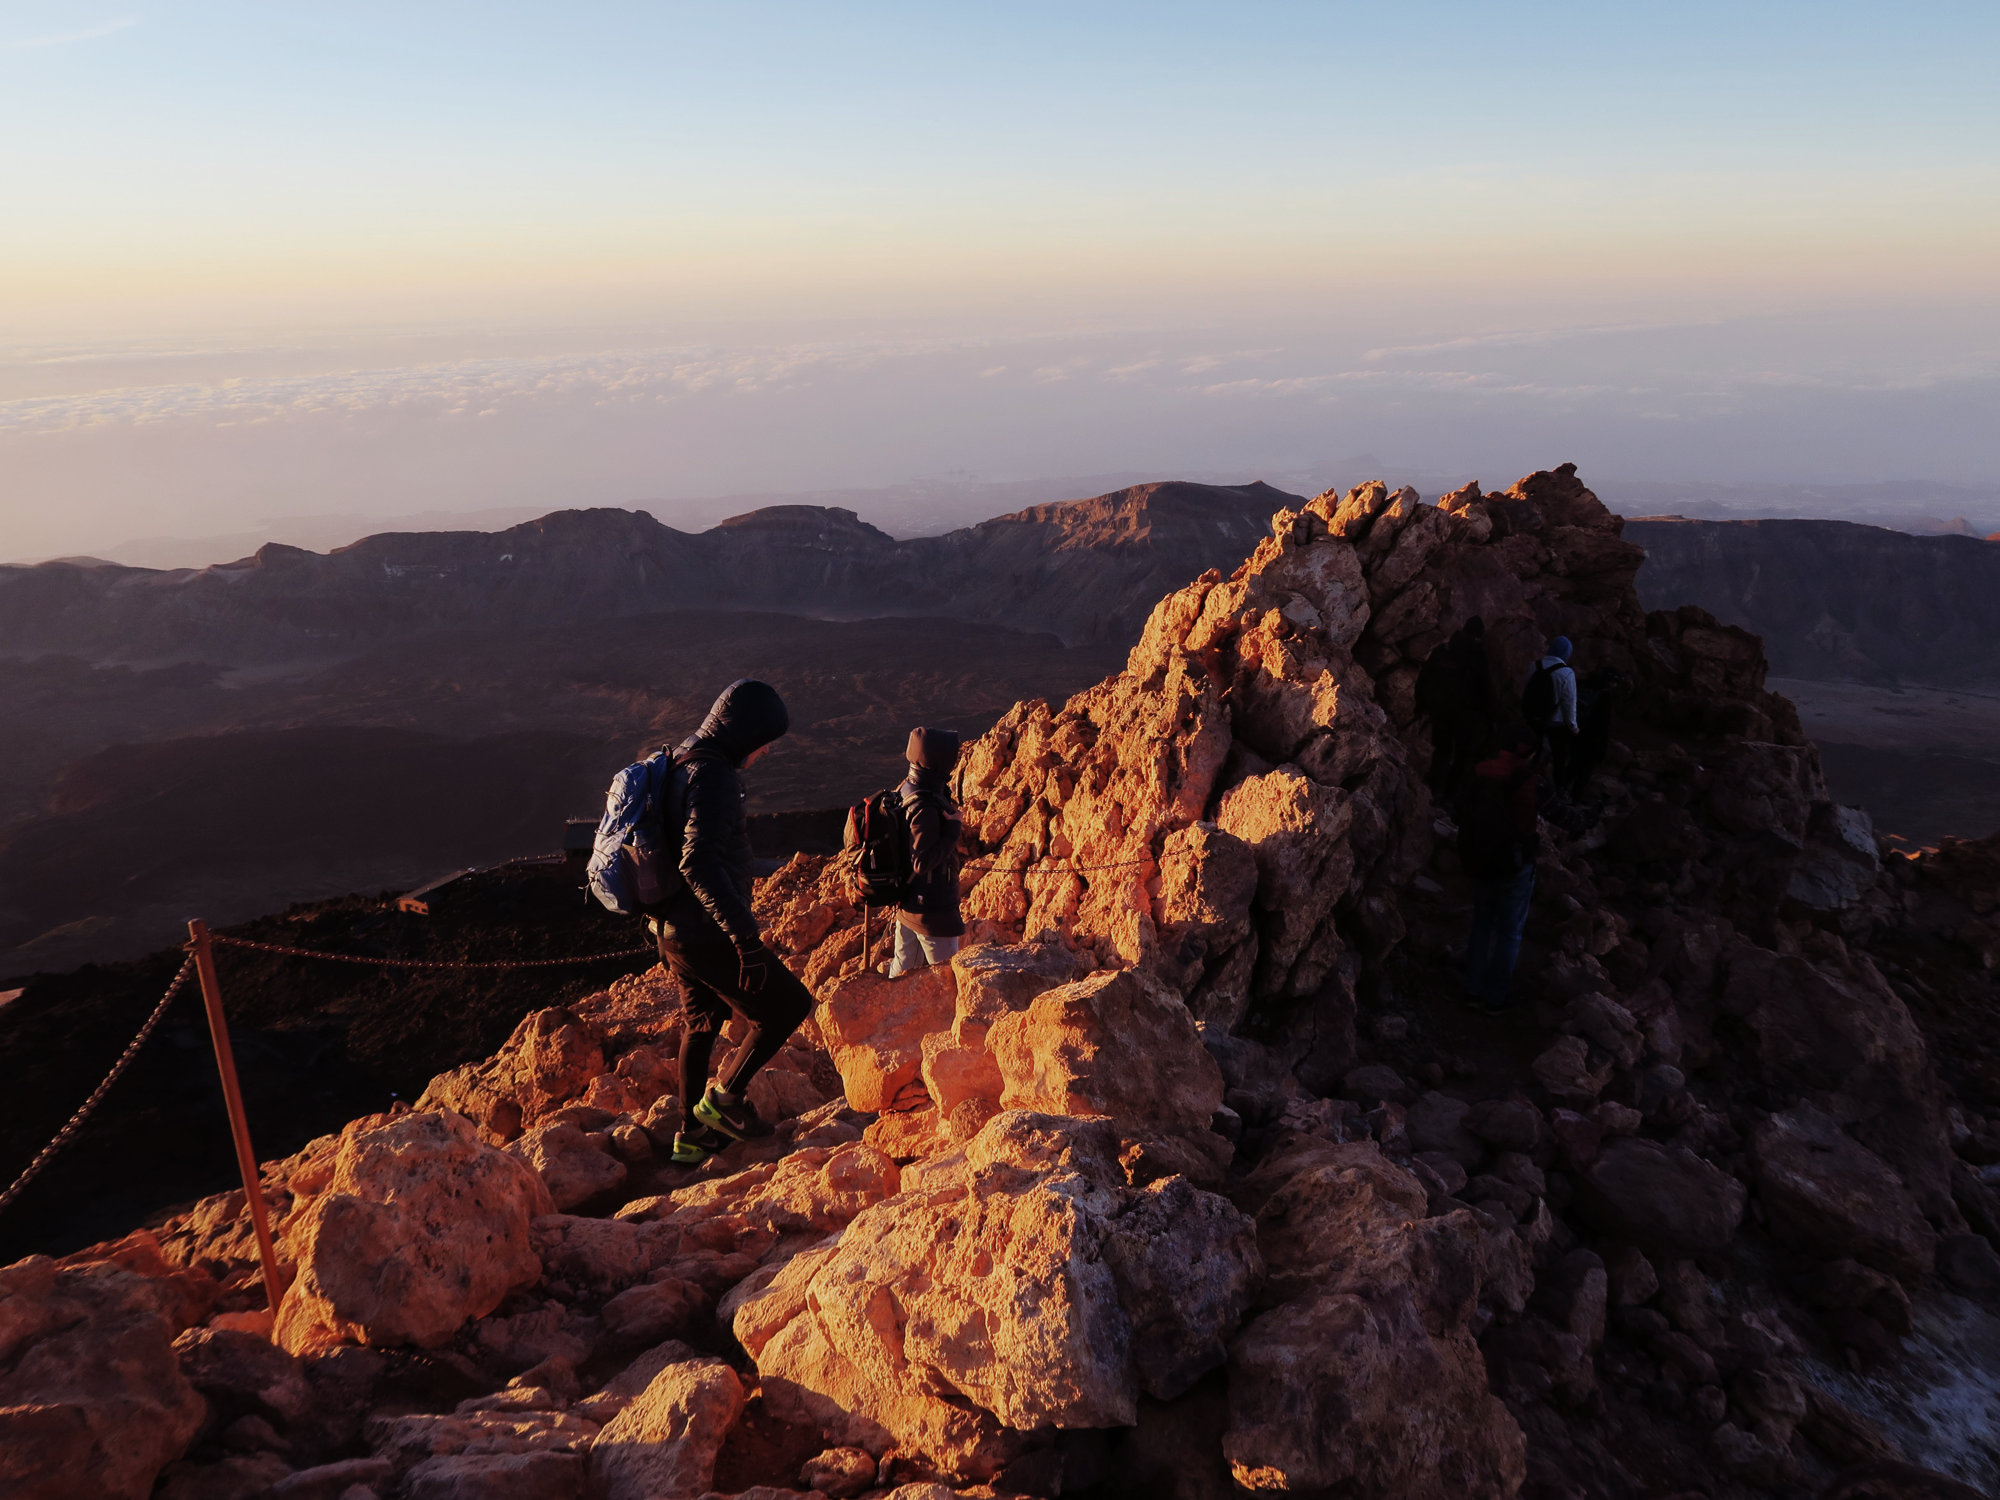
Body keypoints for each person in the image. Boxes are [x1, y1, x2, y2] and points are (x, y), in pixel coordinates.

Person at [650, 679, 815, 1165]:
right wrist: (744, 938)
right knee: (787, 1006)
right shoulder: (713, 776)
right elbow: (697, 862)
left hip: (670, 929)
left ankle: (689, 1137)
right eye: (764, 741)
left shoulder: (678, 759)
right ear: (745, 734)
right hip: (705, 930)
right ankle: (724, 1100)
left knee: (701, 1023)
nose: (764, 752)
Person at [1456, 726, 1543, 1015]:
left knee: (1482, 925)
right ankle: (1496, 998)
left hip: (1481, 858)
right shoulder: (1532, 780)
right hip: (1516, 863)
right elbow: (1561, 813)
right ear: (1530, 754)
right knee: (1510, 933)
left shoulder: (1480, 771)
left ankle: (1472, 990)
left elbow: (1461, 810)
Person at [880, 727, 966, 977]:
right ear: (938, 761)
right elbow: (922, 860)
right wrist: (952, 829)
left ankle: (888, 1013)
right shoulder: (925, 805)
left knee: (901, 976)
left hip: (911, 906)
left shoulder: (909, 789)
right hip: (932, 911)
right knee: (948, 980)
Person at [1414, 616, 1496, 800]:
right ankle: (1449, 796)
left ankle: (1434, 790)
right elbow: (1486, 688)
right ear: (1477, 636)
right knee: (1462, 757)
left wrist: (1420, 705)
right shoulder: (1476, 656)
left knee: (1442, 751)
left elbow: (1424, 679)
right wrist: (1491, 718)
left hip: (1440, 712)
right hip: (1465, 717)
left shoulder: (1444, 650)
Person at [1522, 635, 1579, 793]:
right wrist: (1573, 727)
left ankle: (1526, 785)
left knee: (1532, 755)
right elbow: (1569, 703)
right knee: (1559, 761)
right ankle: (1558, 792)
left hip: (1534, 719)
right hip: (1556, 724)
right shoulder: (1567, 673)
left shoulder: (1535, 665)